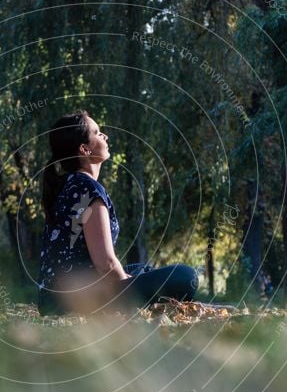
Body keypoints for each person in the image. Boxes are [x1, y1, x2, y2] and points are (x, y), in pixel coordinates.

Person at [37, 110, 198, 316]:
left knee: (141, 269)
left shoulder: (70, 185)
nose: (105, 136)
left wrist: (133, 280)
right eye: (97, 133)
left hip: (55, 299)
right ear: (85, 149)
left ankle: (152, 298)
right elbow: (105, 264)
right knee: (185, 276)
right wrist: (130, 287)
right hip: (73, 301)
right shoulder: (88, 189)